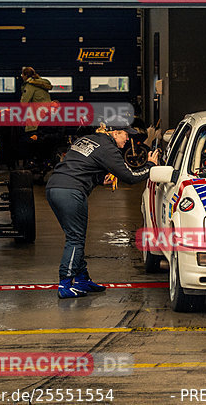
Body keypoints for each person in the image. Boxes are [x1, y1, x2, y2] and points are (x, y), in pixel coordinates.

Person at [46, 123, 160, 299]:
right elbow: (130, 176)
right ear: (115, 133)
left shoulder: (87, 140)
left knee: (75, 236)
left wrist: (100, 178)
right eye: (125, 135)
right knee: (75, 238)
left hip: (54, 188)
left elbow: (79, 166)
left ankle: (83, 279)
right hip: (71, 191)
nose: (128, 139)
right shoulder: (108, 148)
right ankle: (65, 284)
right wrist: (150, 166)